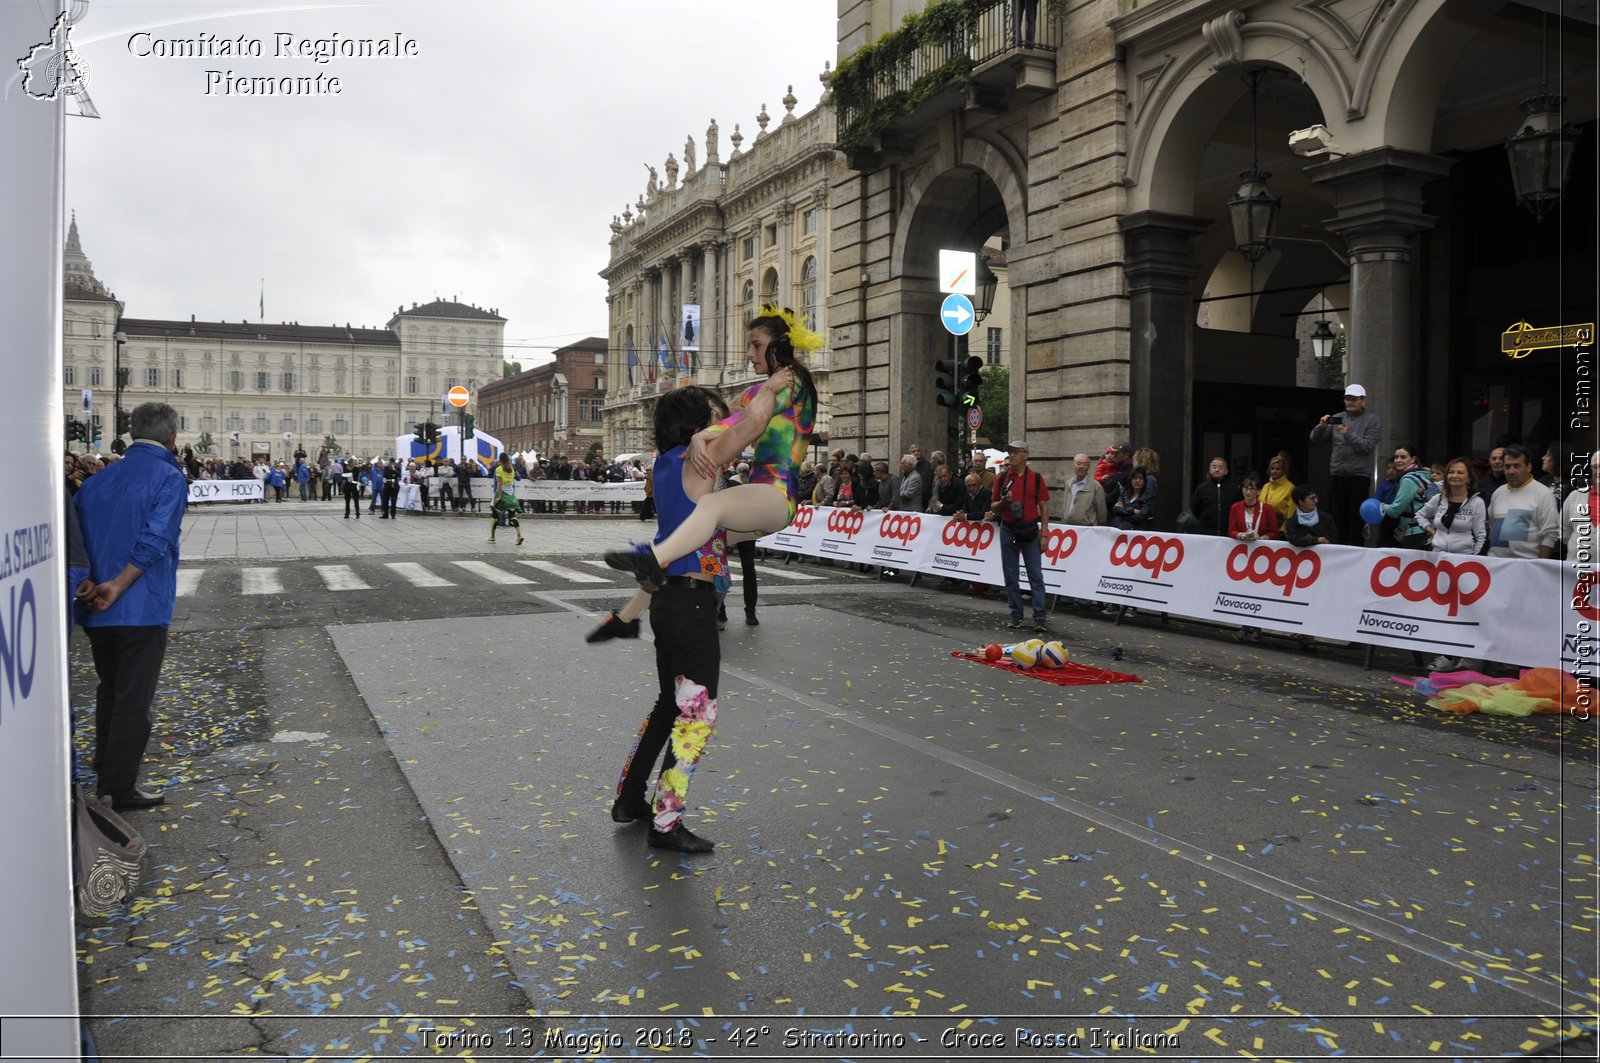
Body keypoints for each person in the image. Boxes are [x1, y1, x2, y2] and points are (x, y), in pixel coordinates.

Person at [609, 386, 742, 854]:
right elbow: (745, 424)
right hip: (690, 599)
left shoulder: (666, 464)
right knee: (697, 713)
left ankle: (630, 799)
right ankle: (666, 821)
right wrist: (776, 386)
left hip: (670, 600)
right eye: (707, 416)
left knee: (669, 705)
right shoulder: (695, 460)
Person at [604, 306, 817, 593]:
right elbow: (729, 416)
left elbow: (750, 420)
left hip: (778, 496)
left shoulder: (792, 382)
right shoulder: (761, 390)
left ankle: (651, 561)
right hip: (759, 495)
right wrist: (701, 436)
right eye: (749, 347)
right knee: (685, 538)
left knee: (709, 507)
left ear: (778, 347)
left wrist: (702, 436)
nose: (749, 354)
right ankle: (628, 616)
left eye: (756, 346)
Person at [73, 402, 187, 811]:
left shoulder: (97, 480)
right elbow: (156, 539)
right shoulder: (168, 475)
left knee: (110, 689)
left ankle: (106, 766)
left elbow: (77, 540)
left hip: (96, 605)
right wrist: (119, 585)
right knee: (134, 700)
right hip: (138, 603)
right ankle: (118, 788)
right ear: (172, 437)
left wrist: (87, 584)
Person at [1418, 458, 1488, 671]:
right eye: (1451, 472)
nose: (1454, 476)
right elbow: (1420, 515)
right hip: (1439, 561)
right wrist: (1431, 531)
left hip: (1465, 564)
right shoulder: (1440, 498)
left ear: (1469, 477)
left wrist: (1474, 562)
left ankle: (1461, 656)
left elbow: (1482, 535)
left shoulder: (1476, 502)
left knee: (1464, 612)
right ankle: (1446, 654)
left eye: (1460, 472)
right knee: (1443, 610)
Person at [989, 439, 1052, 633]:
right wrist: (1003, 502)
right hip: (1009, 530)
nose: (1012, 456)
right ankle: (1016, 615)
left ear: (1026, 455)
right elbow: (993, 507)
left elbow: (1043, 506)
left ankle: (1039, 617)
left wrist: (1044, 535)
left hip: (1030, 531)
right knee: (1011, 575)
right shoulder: (1002, 479)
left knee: (1035, 575)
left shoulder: (1036, 478)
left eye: (1016, 452)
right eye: (1010, 452)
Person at [1310, 384, 1381, 546]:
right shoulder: (1338, 417)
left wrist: (1348, 434)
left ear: (1363, 401)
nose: (1350, 402)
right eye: (1348, 399)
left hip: (1359, 475)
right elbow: (1315, 439)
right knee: (1336, 516)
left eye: (1354, 399)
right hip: (1338, 473)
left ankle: (1355, 548)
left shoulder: (1372, 420)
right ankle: (1338, 547)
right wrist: (1320, 427)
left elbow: (1367, 447)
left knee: (1355, 518)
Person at [1228, 475, 1279, 643]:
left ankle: (1253, 629)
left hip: (1262, 554)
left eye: (1252, 488)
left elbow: (1274, 532)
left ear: (1258, 492)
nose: (1248, 491)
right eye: (1245, 488)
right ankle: (1248, 628)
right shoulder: (1236, 507)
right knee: (1245, 590)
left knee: (1258, 591)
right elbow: (1231, 530)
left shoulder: (1267, 509)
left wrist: (1263, 538)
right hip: (1243, 553)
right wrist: (1241, 535)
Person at [1487, 444, 1557, 559]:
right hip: (1496, 564)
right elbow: (1492, 526)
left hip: (1528, 565)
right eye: (1507, 466)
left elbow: (1550, 534)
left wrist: (1542, 566)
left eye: (1516, 466)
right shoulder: (1498, 493)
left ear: (1528, 467)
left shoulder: (1543, 493)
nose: (1511, 471)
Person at [1379, 446, 1433, 550]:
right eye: (1396, 457)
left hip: (1415, 532)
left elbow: (1396, 510)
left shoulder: (1408, 480)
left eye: (1403, 457)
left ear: (1413, 459)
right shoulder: (1424, 474)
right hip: (1427, 530)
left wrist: (1382, 506)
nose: (1398, 460)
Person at [1562, 451, 1599, 563]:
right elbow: (1564, 532)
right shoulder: (1575, 496)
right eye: (1596, 467)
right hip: (1576, 572)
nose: (1598, 471)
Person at [1190, 456, 1240, 536]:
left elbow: (1238, 508)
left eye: (1220, 467)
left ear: (1226, 471)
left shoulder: (1233, 489)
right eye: (1214, 467)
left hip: (1227, 532)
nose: (1217, 469)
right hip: (1206, 532)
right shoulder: (1201, 488)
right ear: (1210, 470)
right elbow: (1195, 507)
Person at [488, 452, 524, 546]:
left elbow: (499, 484)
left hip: (502, 493)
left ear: (500, 460)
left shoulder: (499, 469)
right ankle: (519, 535)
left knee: (494, 515)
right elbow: (518, 479)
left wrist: (499, 497)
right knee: (512, 515)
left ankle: (492, 537)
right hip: (511, 494)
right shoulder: (512, 469)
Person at [1064, 453, 1108, 527]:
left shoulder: (1096, 486)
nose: (1081, 467)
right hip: (1069, 527)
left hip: (1087, 529)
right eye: (1078, 463)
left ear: (1088, 467)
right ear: (1073, 465)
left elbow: (1101, 513)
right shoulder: (1068, 483)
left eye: (1085, 464)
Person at [1259, 452, 1296, 525]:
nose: (1274, 471)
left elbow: (1291, 513)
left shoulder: (1290, 487)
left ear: (1284, 470)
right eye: (1272, 468)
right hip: (1263, 526)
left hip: (1281, 528)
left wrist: (1287, 529)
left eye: (1277, 469)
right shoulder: (1266, 486)